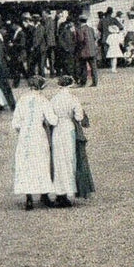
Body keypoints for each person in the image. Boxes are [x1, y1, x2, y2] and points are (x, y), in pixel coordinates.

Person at [12, 76, 58, 210]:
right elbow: (52, 120)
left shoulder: (22, 100)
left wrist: (23, 128)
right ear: (42, 87)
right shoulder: (43, 100)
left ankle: (29, 198)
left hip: (25, 135)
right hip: (38, 134)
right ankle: (44, 194)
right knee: (41, 162)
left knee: (26, 164)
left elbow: (15, 122)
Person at [49, 75, 89, 208]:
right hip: (69, 129)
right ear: (70, 85)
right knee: (69, 160)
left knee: (58, 159)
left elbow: (51, 118)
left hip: (57, 130)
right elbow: (79, 116)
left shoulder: (53, 99)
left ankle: (59, 192)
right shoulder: (73, 99)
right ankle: (68, 190)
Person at [74, 16, 99, 87]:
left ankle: (83, 82)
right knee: (93, 67)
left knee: (83, 67)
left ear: (79, 21)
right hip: (92, 50)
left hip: (84, 51)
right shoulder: (91, 29)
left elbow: (81, 40)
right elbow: (94, 38)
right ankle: (95, 82)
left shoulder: (80, 30)